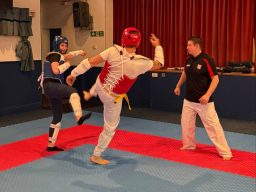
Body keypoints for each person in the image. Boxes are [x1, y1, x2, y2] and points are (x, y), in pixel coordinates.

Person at [66, 27, 164, 165]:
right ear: (138, 43)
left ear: (122, 39)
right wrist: (157, 46)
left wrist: (73, 74)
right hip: (112, 98)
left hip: (100, 86)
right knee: (110, 128)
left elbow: (90, 62)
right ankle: (96, 155)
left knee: (100, 79)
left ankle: (91, 92)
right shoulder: (141, 63)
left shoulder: (112, 51)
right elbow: (159, 64)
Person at [174, 36, 232, 160]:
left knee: (213, 127)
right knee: (186, 124)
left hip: (204, 102)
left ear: (196, 46)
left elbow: (216, 79)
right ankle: (189, 145)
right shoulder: (188, 59)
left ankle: (225, 152)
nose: (187, 47)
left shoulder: (207, 60)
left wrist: (207, 95)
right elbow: (185, 73)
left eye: (189, 45)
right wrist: (178, 85)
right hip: (189, 100)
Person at [39, 35, 92, 151]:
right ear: (56, 46)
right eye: (62, 45)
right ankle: (79, 117)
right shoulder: (54, 55)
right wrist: (68, 64)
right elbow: (55, 70)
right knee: (73, 92)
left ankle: (51, 145)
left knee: (57, 117)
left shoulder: (59, 56)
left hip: (51, 89)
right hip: (51, 85)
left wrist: (80, 52)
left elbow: (69, 55)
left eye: (66, 45)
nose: (64, 48)